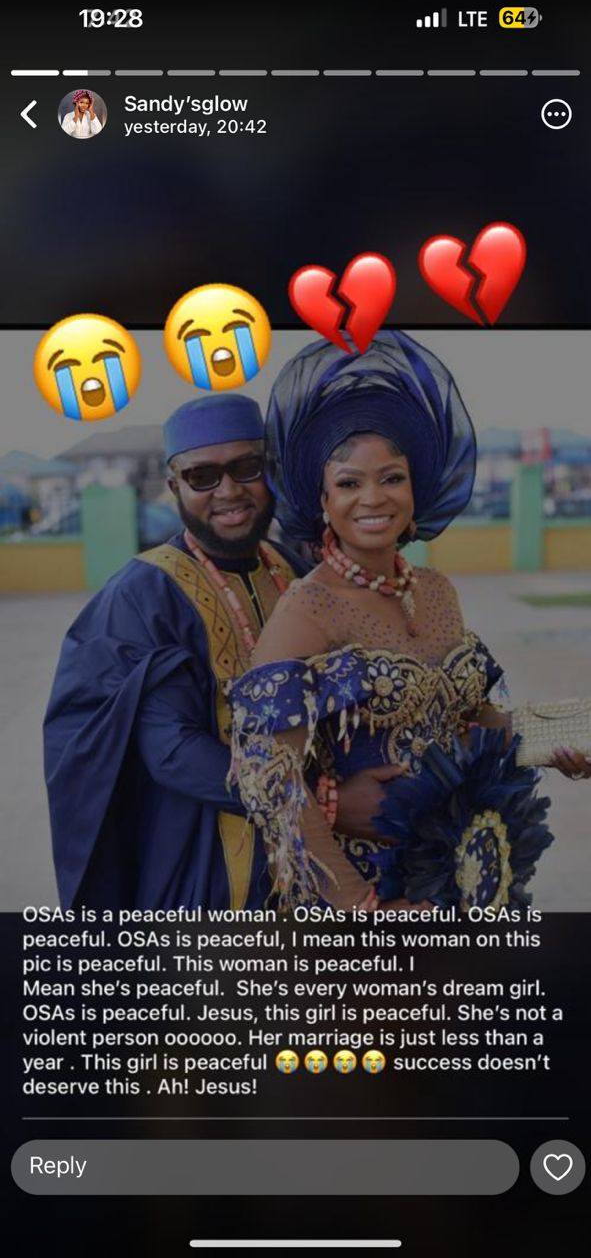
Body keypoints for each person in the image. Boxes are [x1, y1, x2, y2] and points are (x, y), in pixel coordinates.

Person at [229, 333, 591, 913]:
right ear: (323, 499)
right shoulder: (307, 610)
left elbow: (472, 724)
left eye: (392, 477)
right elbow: (267, 775)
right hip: (369, 889)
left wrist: (559, 741)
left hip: (460, 871)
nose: (373, 498)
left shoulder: (436, 590)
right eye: (349, 482)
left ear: (415, 487)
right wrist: (364, 908)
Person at [45, 393, 394, 911]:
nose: (228, 491)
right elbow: (172, 750)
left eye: (246, 468)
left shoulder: (294, 570)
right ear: (174, 486)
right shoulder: (143, 595)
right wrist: (326, 804)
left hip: (324, 871)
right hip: (208, 868)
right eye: (202, 476)